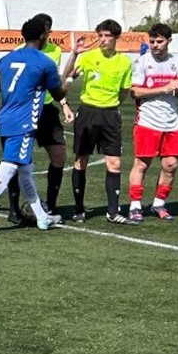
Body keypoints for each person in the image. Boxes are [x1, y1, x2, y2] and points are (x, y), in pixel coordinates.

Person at [0, 16, 67, 233]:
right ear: (43, 36)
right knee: (9, 167)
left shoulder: (5, 60)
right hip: (24, 123)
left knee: (25, 169)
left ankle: (42, 217)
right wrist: (70, 78)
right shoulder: (45, 62)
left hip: (6, 118)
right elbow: (58, 94)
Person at [63, 19, 134, 223]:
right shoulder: (88, 57)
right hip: (87, 113)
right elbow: (67, 75)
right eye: (100, 36)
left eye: (107, 36)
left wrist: (111, 105)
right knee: (81, 160)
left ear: (116, 38)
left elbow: (124, 92)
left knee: (115, 163)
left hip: (110, 116)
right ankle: (78, 209)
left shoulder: (125, 62)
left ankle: (113, 212)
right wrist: (74, 54)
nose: (103, 40)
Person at [6, 13, 70, 224]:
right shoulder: (19, 52)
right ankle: (14, 209)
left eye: (48, 30)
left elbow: (54, 82)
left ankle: (50, 206)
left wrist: (64, 104)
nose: (46, 35)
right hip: (24, 110)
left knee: (59, 155)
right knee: (16, 160)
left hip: (47, 110)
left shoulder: (55, 51)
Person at [127, 22, 178, 222]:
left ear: (169, 41)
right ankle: (135, 206)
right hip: (148, 121)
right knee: (142, 164)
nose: (155, 45)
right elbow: (135, 92)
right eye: (152, 41)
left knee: (171, 164)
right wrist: (164, 88)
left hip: (171, 121)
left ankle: (159, 204)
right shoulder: (142, 62)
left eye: (159, 41)